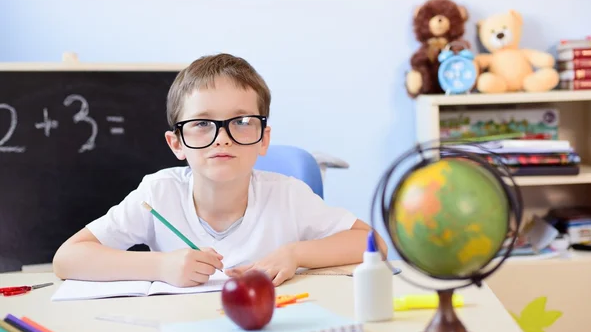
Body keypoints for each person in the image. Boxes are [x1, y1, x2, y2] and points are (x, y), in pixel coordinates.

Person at [53, 53, 387, 287]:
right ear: (177, 144)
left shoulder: (287, 195)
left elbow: (373, 243)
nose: (222, 139)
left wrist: (295, 253)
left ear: (263, 139)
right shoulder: (158, 194)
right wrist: (161, 266)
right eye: (201, 123)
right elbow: (68, 258)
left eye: (241, 122)